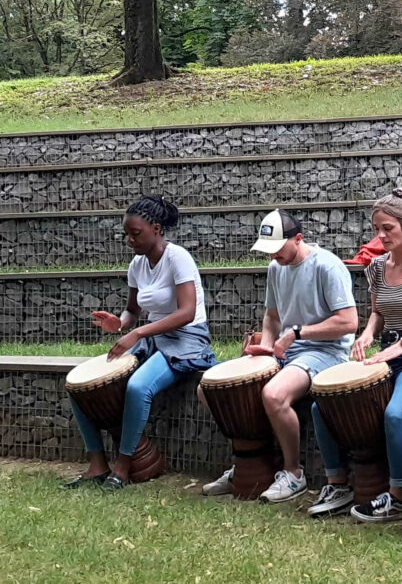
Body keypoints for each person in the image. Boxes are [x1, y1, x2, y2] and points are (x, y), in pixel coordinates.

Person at [306, 190, 402, 520]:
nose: (381, 236)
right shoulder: (376, 267)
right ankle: (338, 485)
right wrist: (368, 333)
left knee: (396, 414)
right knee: (323, 406)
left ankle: (398, 497)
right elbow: (377, 313)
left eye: (388, 228)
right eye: (377, 228)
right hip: (387, 355)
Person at [201, 209, 358, 502]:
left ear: (298, 239)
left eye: (277, 249)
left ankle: (293, 473)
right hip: (288, 350)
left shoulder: (327, 266)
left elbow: (349, 323)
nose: (273, 256)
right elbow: (272, 316)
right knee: (208, 390)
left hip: (327, 352)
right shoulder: (276, 268)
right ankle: (248, 461)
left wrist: (298, 333)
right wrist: (269, 345)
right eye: (268, 251)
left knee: (274, 395)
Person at [64, 196, 216, 490]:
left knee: (137, 387)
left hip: (187, 339)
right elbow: (133, 311)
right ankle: (97, 464)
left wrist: (137, 333)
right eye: (127, 234)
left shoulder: (178, 258)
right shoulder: (137, 265)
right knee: (79, 385)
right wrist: (119, 323)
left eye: (136, 233)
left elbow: (186, 312)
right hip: (152, 337)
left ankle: (122, 467)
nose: (130, 240)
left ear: (156, 229)